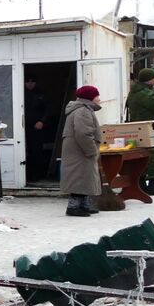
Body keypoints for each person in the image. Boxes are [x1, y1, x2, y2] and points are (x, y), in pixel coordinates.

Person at [125, 68, 154, 196]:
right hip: (149, 131)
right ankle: (152, 185)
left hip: (140, 130)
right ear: (149, 80)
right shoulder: (145, 94)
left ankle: (142, 184)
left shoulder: (136, 92)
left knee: (143, 157)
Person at [61, 85, 103, 217]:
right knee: (79, 177)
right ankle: (73, 207)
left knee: (85, 177)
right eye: (97, 95)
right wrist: (91, 150)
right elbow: (83, 133)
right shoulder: (83, 111)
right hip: (80, 150)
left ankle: (84, 205)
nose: (99, 99)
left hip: (77, 149)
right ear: (90, 97)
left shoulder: (83, 109)